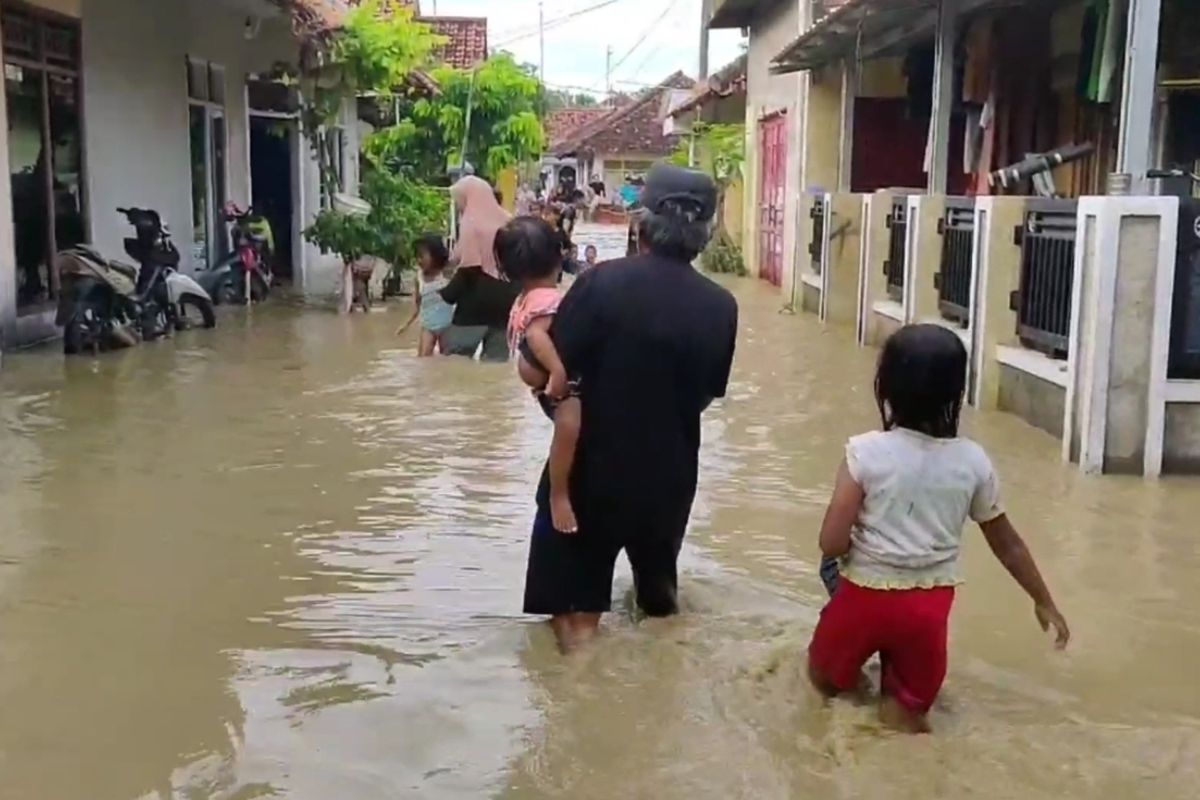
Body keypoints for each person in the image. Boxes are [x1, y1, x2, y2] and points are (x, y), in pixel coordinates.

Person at [807, 324, 1070, 733]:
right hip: (928, 609)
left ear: (885, 387)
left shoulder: (864, 452)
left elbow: (831, 541)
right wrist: (1043, 600)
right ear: (956, 394)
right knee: (907, 713)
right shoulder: (973, 461)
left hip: (864, 599)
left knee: (825, 681)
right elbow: (1008, 545)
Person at [522, 164, 739, 653]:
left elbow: (546, 367)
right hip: (671, 476)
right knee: (659, 608)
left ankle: (588, 704)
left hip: (589, 472)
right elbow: (706, 393)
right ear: (704, 234)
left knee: (576, 616)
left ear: (639, 222)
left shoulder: (601, 283)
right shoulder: (722, 305)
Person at [495, 217, 581, 535]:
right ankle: (559, 494)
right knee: (570, 424)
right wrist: (557, 371)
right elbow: (536, 336)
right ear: (558, 258)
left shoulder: (527, 296)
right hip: (551, 376)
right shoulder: (548, 299)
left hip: (539, 377)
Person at [439, 176, 519, 361]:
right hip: (505, 305)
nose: (458, 205)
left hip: (474, 307)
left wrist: (446, 294)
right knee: (496, 364)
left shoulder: (471, 223)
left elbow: (470, 267)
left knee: (456, 361)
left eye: (459, 199)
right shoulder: (509, 221)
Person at [396, 234, 454, 356]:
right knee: (423, 358)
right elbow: (417, 306)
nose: (419, 260)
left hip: (448, 325)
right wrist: (405, 325)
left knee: (448, 359)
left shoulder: (447, 273)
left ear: (436, 255)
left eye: (422, 256)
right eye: (417, 257)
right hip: (428, 326)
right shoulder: (419, 278)